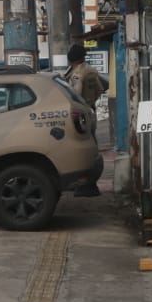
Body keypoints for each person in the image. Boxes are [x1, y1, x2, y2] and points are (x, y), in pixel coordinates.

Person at [64, 44, 104, 197]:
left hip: (81, 116)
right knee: (92, 149)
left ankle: (86, 185)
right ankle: (90, 184)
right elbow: (100, 89)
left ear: (71, 59)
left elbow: (75, 95)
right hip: (91, 111)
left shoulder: (77, 74)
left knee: (83, 150)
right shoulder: (91, 70)